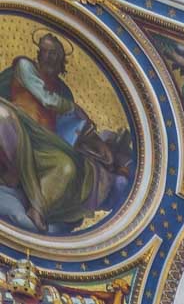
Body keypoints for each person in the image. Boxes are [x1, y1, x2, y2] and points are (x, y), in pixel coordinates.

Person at [0, 33, 129, 233]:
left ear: (62, 60)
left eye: (54, 54)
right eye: (45, 52)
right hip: (21, 124)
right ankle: (13, 177)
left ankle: (37, 209)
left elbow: (72, 131)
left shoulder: (64, 90)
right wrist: (73, 108)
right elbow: (47, 100)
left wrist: (98, 144)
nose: (49, 57)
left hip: (46, 142)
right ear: (38, 54)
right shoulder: (25, 66)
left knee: (67, 166)